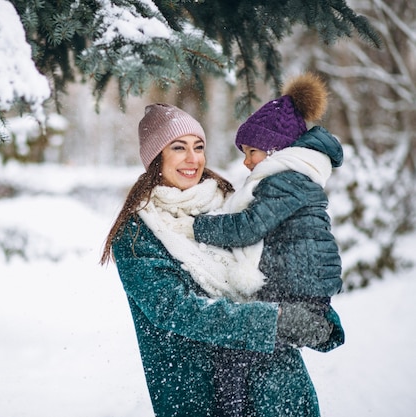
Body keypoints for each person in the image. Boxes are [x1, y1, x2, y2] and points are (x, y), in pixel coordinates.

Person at [100, 102, 343, 417]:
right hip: (201, 395)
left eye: (198, 147)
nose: (193, 158)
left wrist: (318, 315)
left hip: (278, 389)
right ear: (156, 157)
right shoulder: (137, 235)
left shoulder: (230, 201)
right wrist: (275, 321)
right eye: (178, 148)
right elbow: (176, 310)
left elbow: (289, 259)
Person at [192, 73, 346, 416]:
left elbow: (249, 228)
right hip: (300, 287)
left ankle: (229, 410)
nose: (246, 161)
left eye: (252, 152)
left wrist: (199, 227)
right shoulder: (296, 177)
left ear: (276, 148)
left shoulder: (285, 180)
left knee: (237, 352)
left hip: (298, 291)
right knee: (250, 354)